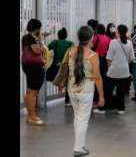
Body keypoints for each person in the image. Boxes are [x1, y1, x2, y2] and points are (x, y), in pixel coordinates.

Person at [66, 26, 105, 156]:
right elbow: (98, 77)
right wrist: (101, 96)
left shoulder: (70, 51)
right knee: (82, 119)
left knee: (77, 117)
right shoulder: (93, 55)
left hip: (72, 89)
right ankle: (78, 148)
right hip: (86, 91)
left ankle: (80, 145)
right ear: (91, 38)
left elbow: (64, 67)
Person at [21, 19, 47, 126]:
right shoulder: (32, 38)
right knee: (33, 92)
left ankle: (30, 115)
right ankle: (32, 117)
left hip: (28, 66)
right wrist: (41, 40)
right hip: (34, 67)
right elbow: (37, 50)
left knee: (29, 91)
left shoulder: (25, 37)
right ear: (36, 28)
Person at [105, 24, 135, 114]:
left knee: (108, 90)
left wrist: (109, 69)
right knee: (121, 91)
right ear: (126, 32)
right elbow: (132, 58)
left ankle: (103, 108)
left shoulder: (113, 42)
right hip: (125, 71)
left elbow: (109, 58)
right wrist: (125, 64)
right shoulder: (129, 43)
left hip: (114, 70)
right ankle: (121, 109)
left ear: (117, 31)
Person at [47, 27, 74, 107]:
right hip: (66, 67)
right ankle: (67, 102)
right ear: (66, 35)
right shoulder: (70, 43)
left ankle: (39, 99)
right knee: (69, 84)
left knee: (43, 79)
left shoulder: (54, 42)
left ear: (58, 35)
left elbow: (46, 49)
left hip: (56, 67)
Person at [92, 24, 111, 115]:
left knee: (95, 80)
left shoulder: (96, 37)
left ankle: (96, 101)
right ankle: (101, 99)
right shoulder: (107, 38)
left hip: (96, 59)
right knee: (102, 80)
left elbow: (91, 47)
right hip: (104, 60)